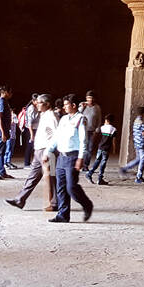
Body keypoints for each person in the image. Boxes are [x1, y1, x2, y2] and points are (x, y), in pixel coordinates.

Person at [6, 94, 59, 212]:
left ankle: (55, 203)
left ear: (47, 104)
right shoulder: (44, 115)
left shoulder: (52, 116)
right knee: (32, 177)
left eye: (40, 102)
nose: (37, 104)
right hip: (39, 150)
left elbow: (56, 136)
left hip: (47, 151)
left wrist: (48, 151)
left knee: (51, 178)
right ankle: (20, 199)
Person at [48, 94, 93, 222]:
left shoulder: (80, 119)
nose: (64, 107)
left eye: (66, 105)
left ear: (73, 105)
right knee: (60, 187)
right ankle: (63, 215)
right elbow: (56, 137)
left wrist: (80, 158)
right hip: (61, 157)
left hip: (73, 157)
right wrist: (48, 152)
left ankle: (87, 205)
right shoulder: (63, 119)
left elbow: (83, 140)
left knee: (71, 187)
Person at [120, 106, 144, 184]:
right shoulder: (141, 122)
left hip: (136, 142)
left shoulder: (136, 121)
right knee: (142, 160)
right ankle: (138, 177)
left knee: (138, 159)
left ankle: (125, 168)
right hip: (141, 143)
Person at [87, 114, 117, 185]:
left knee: (97, 161)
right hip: (106, 148)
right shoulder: (114, 129)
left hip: (100, 147)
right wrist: (114, 149)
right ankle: (100, 179)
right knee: (103, 163)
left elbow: (96, 134)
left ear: (106, 120)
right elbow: (114, 141)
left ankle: (90, 173)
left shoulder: (102, 127)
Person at [82, 90, 103, 162]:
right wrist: (82, 107)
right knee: (83, 147)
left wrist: (97, 130)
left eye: (90, 98)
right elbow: (78, 114)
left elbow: (99, 119)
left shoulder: (97, 107)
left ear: (93, 98)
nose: (89, 100)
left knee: (90, 148)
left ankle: (86, 164)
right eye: (87, 98)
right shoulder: (83, 106)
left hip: (92, 131)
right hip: (83, 130)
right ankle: (82, 163)